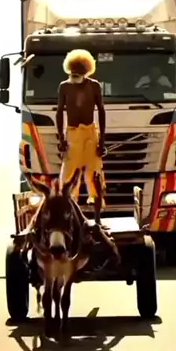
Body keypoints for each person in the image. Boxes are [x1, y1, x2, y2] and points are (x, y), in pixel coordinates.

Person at [56, 49, 106, 224]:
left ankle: (98, 220)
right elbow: (59, 112)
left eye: (78, 73)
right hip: (72, 134)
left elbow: (101, 111)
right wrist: (61, 139)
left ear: (86, 72)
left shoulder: (94, 86)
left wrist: (102, 141)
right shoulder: (64, 86)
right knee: (69, 177)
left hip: (90, 133)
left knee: (95, 175)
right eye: (72, 73)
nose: (74, 76)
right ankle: (70, 218)